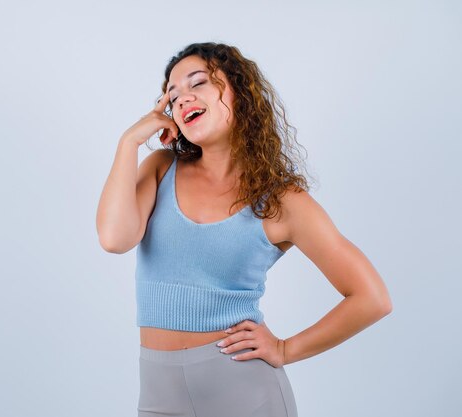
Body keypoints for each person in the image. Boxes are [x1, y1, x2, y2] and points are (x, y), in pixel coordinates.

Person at [96, 42, 392, 417]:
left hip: (245, 393)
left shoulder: (282, 201)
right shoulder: (159, 168)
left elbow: (372, 297)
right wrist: (129, 142)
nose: (183, 99)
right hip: (158, 397)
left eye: (197, 83)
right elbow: (114, 238)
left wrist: (286, 349)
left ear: (240, 93)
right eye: (172, 96)